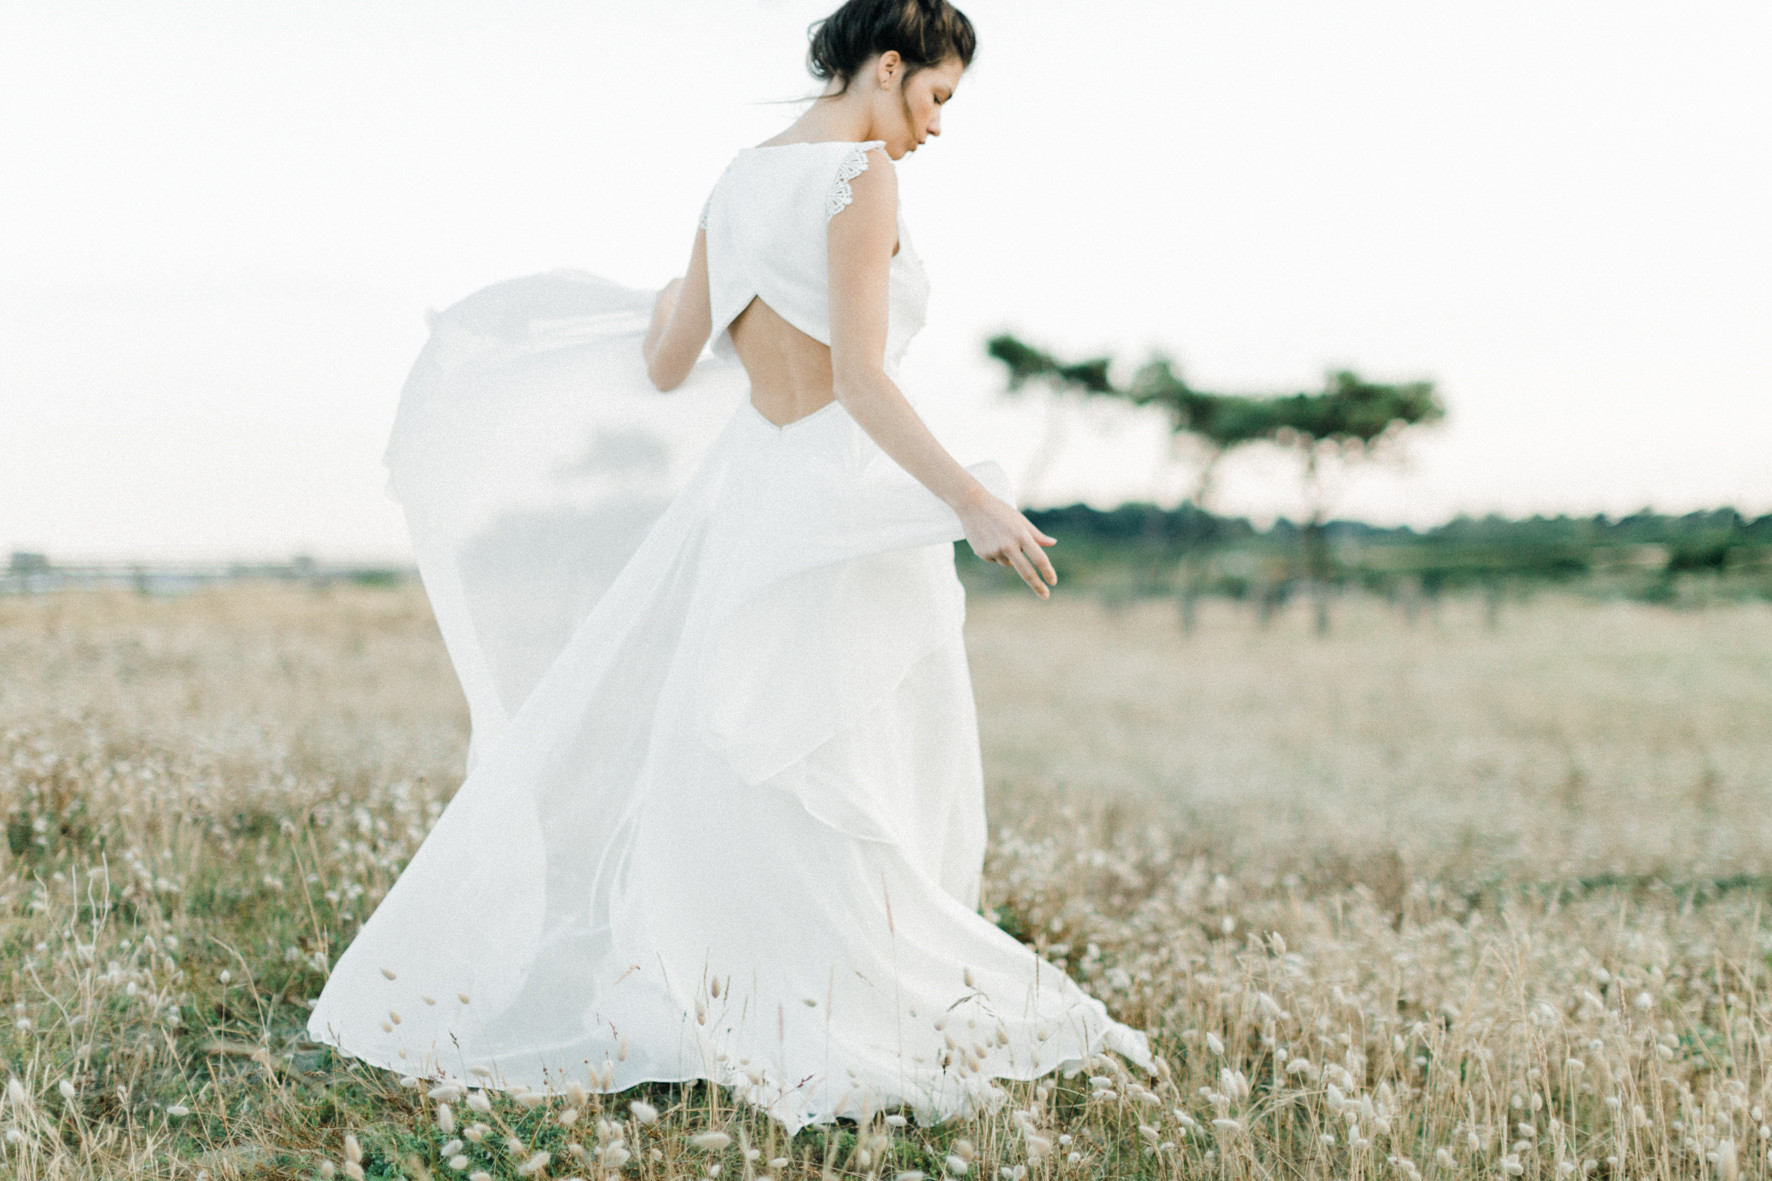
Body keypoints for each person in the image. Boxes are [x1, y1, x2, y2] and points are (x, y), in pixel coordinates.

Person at [307, 0, 1153, 1133]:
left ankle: (736, 984)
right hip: (834, 493)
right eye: (937, 99)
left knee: (760, 759)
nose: (935, 130)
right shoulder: (859, 179)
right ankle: (837, 992)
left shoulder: (737, 181)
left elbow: (667, 360)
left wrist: (661, 308)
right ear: (889, 67)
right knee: (848, 755)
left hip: (757, 495)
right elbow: (859, 377)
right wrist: (968, 498)